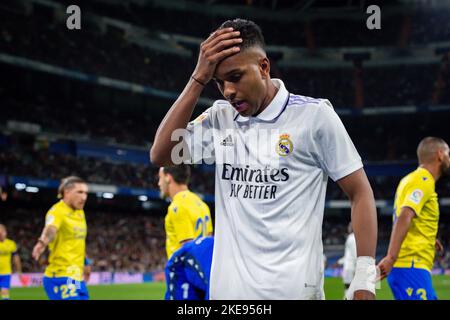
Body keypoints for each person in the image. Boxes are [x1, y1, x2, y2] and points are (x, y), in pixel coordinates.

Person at [151, 18, 378, 300]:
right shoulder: (219, 119)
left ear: (263, 67)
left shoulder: (314, 117)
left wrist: (365, 278)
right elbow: (161, 154)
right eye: (219, 83)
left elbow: (360, 192)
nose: (228, 91)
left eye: (235, 77)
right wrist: (198, 78)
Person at [378, 137, 449, 300]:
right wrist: (391, 257)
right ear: (440, 154)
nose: (449, 159)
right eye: (448, 154)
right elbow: (405, 215)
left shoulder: (410, 179)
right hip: (409, 265)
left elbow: (413, 216)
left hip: (412, 267)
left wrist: (429, 238)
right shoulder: (423, 180)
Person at [158, 165, 213, 299]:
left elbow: (188, 249)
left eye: (159, 178)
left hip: (185, 279)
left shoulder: (177, 206)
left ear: (168, 177)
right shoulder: (201, 204)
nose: (158, 183)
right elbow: (209, 241)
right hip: (201, 277)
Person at [32, 176, 90, 300]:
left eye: (86, 193)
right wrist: (42, 243)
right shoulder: (57, 211)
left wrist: (86, 263)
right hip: (60, 276)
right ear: (67, 192)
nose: (84, 197)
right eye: (79, 192)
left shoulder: (80, 212)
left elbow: (77, 241)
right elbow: (51, 229)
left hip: (76, 277)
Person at [0, 224, 23, 300]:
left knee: (5, 293)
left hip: (6, 272)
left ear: (5, 232)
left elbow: (16, 258)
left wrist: (19, 271)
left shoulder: (11, 244)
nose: (1, 233)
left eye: (2, 231)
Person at [338, 223, 357, 298]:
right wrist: (339, 261)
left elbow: (354, 254)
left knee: (348, 288)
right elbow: (348, 255)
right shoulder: (353, 237)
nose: (348, 228)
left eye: (349, 226)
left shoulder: (351, 237)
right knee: (350, 289)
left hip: (350, 267)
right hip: (350, 266)